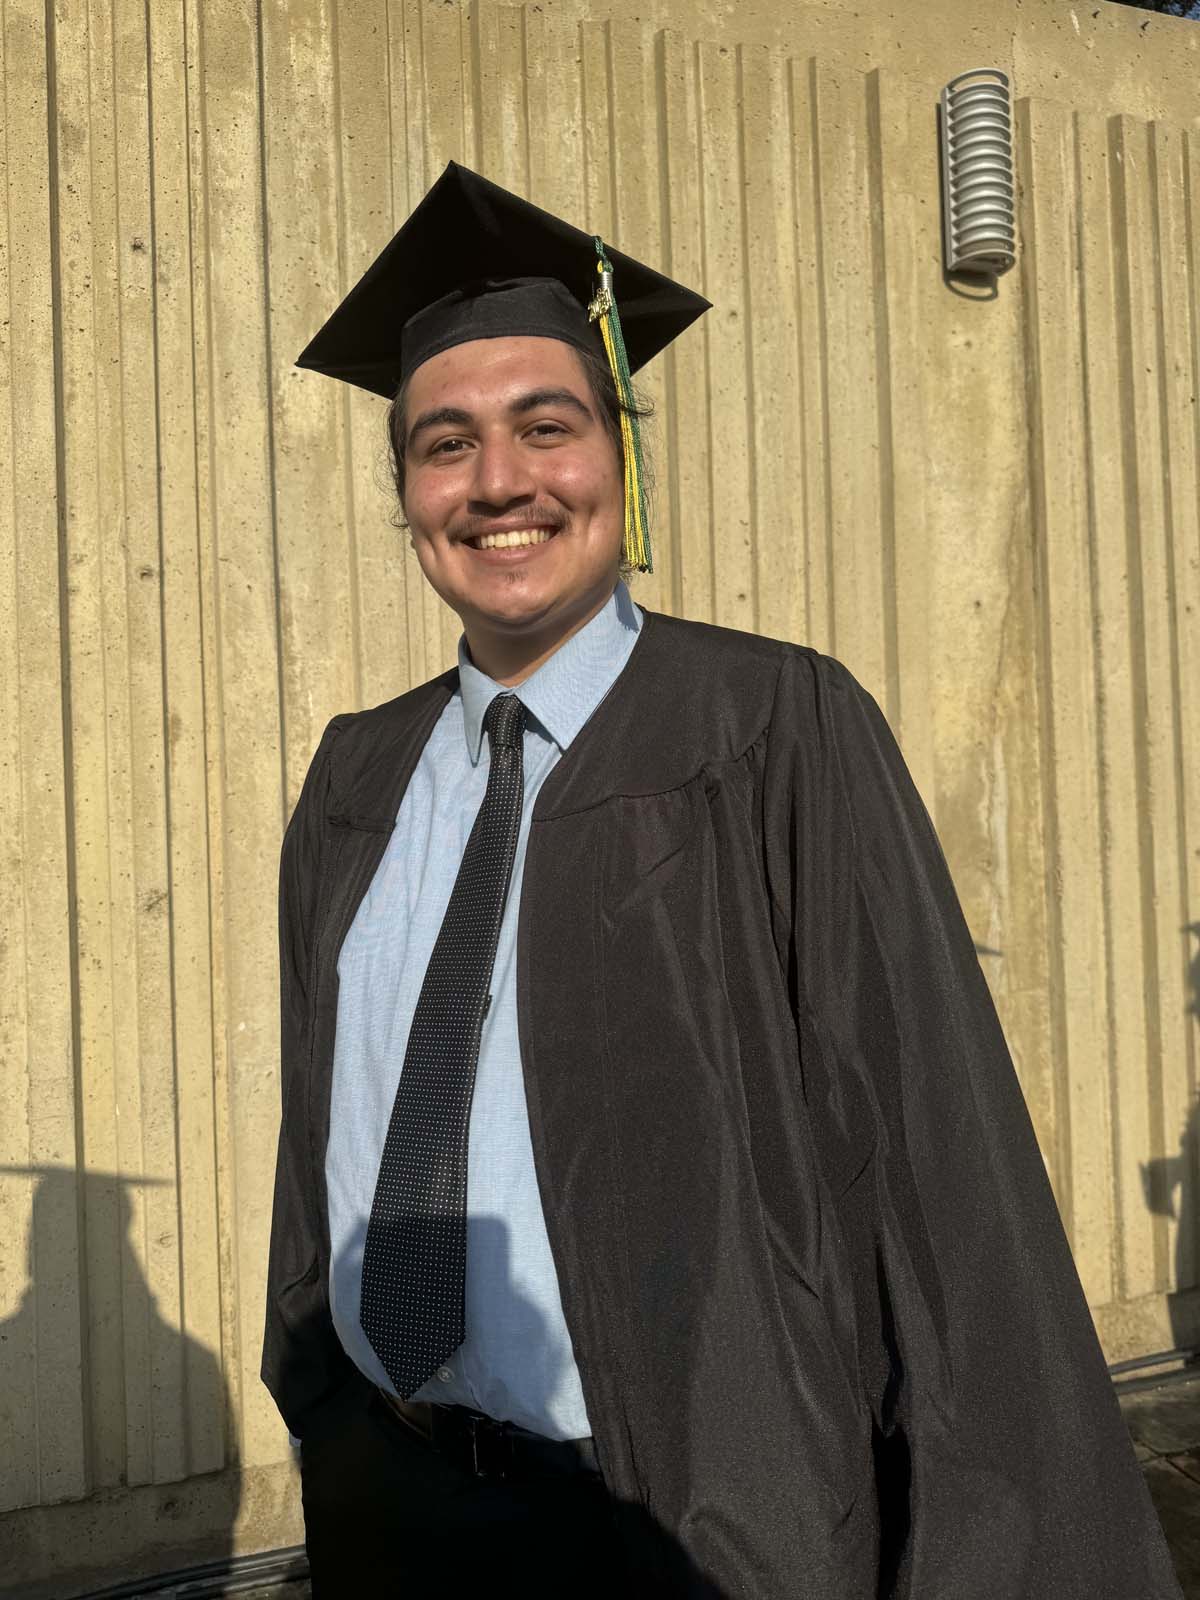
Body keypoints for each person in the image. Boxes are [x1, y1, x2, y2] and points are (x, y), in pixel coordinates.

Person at [262, 161, 1181, 1598]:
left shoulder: (775, 728)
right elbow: (325, 1119)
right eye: (444, 445)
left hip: (699, 1528)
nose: (497, 481)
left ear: (619, 451)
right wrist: (321, 1392)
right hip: (398, 1512)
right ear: (403, 493)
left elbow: (937, 1171)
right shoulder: (357, 781)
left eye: (545, 427)